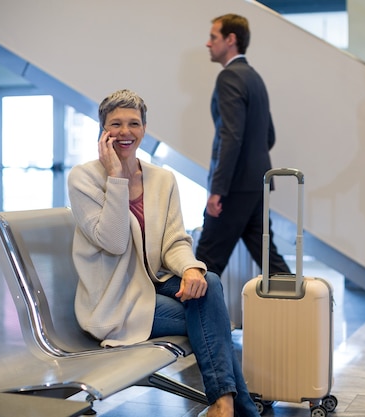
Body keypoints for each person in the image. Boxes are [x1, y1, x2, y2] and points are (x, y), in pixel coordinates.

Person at [67, 89, 259, 417]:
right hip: (115, 302)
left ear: (144, 128)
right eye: (116, 124)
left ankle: (224, 405)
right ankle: (231, 406)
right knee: (211, 317)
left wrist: (189, 270)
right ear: (103, 131)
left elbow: (174, 241)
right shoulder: (84, 178)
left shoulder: (162, 179)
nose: (125, 132)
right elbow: (113, 242)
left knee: (207, 282)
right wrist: (116, 177)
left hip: (154, 282)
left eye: (134, 123)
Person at [195, 13, 290, 278]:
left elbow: (231, 136)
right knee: (269, 259)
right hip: (257, 183)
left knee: (204, 264)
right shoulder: (253, 77)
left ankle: (194, 321)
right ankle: (303, 315)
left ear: (231, 40)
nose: (208, 43)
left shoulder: (229, 78)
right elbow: (268, 136)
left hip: (234, 188)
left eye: (213, 37)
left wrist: (217, 189)